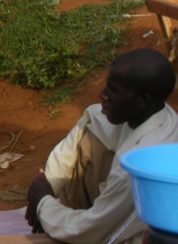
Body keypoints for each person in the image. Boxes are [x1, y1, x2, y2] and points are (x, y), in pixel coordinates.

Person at [25, 49, 178, 244]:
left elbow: (88, 232)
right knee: (93, 127)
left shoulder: (138, 168)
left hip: (120, 237)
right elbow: (92, 117)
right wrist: (48, 186)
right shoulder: (156, 114)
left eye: (113, 90)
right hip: (97, 224)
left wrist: (43, 203)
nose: (102, 95)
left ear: (142, 100)